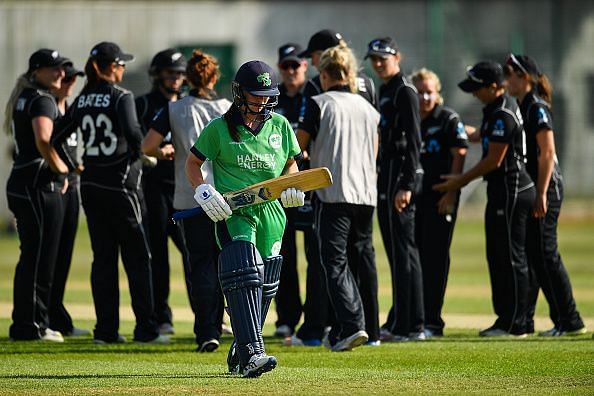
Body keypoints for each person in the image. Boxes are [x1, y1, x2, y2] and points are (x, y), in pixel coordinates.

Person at [185, 60, 303, 377]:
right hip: (233, 210)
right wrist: (204, 191)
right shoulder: (219, 127)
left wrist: (292, 185)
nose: (262, 101)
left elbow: (292, 164)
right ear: (239, 93)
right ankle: (253, 354)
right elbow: (193, 162)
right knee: (244, 274)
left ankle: (241, 346)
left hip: (272, 212)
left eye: (266, 95)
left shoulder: (280, 126)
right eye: (255, 95)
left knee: (265, 283)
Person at [53, 42, 167, 344]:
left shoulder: (83, 98)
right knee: (139, 258)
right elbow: (133, 136)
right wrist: (148, 155)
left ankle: (105, 331)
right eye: (121, 64)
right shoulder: (121, 96)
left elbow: (56, 137)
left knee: (103, 259)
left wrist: (72, 165)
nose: (123, 69)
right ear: (111, 67)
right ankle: (146, 329)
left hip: (91, 186)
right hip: (121, 186)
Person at [434, 61, 535, 337]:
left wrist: (459, 182)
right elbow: (479, 136)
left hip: (512, 189)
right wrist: (451, 123)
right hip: (501, 190)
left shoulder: (503, 113)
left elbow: (493, 160)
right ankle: (506, 319)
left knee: (512, 257)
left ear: (494, 86)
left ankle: (517, 323)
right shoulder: (493, 111)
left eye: (478, 88)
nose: (474, 94)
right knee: (497, 255)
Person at [142, 49, 232, 352]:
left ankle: (207, 331)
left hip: (189, 196)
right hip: (227, 198)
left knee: (201, 266)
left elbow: (148, 145)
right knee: (228, 263)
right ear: (215, 76)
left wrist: (165, 152)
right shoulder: (228, 108)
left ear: (188, 79)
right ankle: (234, 323)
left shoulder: (174, 109)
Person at [297, 44, 380, 351]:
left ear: (324, 73)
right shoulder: (369, 109)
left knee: (334, 262)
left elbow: (299, 148)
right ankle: (371, 328)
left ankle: (352, 326)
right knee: (362, 259)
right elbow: (374, 151)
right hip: (366, 194)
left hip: (333, 192)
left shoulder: (320, 103)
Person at [504, 54, 586, 336]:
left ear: (524, 77)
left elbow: (548, 152)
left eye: (509, 73)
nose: (506, 80)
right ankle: (560, 319)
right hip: (541, 185)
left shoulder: (536, 107)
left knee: (547, 254)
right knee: (538, 255)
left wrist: (541, 192)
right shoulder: (523, 105)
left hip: (547, 185)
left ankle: (571, 320)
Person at [4, 48, 69, 342]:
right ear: (36, 71)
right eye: (53, 69)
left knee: (32, 254)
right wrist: (61, 170)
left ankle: (27, 323)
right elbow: (44, 140)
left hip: (23, 181)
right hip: (37, 184)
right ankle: (32, 325)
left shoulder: (26, 96)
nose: (60, 73)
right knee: (40, 256)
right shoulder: (41, 99)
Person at [366, 37, 424, 342]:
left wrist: (406, 184)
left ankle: (411, 325)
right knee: (395, 251)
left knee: (404, 251)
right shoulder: (386, 89)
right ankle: (401, 317)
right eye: (373, 59)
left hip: (399, 175)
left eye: (382, 58)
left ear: (397, 57)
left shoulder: (405, 90)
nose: (377, 64)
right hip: (386, 173)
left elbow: (414, 141)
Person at [410, 68, 468, 337]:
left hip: (439, 199)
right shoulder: (410, 118)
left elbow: (460, 152)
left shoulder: (447, 118)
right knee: (414, 260)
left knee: (435, 260)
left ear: (438, 93)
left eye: (429, 92)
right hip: (414, 199)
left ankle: (433, 321)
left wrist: (452, 192)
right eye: (420, 92)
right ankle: (411, 318)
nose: (424, 97)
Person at [136, 48, 188, 335]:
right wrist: (155, 151)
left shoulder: (188, 105)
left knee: (194, 254)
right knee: (157, 257)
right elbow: (137, 145)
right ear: (157, 74)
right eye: (171, 73)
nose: (176, 79)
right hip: (153, 189)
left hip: (183, 190)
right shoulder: (143, 105)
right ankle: (161, 317)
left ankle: (209, 317)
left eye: (180, 74)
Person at [48, 60, 90, 337]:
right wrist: (65, 170)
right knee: (48, 255)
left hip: (72, 184)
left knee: (63, 255)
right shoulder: (47, 106)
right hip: (55, 184)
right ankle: (46, 316)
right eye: (67, 79)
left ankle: (57, 314)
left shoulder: (71, 107)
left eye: (74, 78)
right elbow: (44, 144)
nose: (70, 83)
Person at [272, 43, 311, 339]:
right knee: (282, 255)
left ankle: (315, 317)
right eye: (285, 66)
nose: (290, 71)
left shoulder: (314, 95)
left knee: (316, 255)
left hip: (310, 185)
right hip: (281, 186)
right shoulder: (274, 100)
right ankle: (286, 318)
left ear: (305, 66)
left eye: (295, 65)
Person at [300, 29, 377, 107]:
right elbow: (376, 118)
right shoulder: (368, 82)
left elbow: (309, 119)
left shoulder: (315, 85)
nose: (312, 63)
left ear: (325, 54)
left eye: (312, 56)